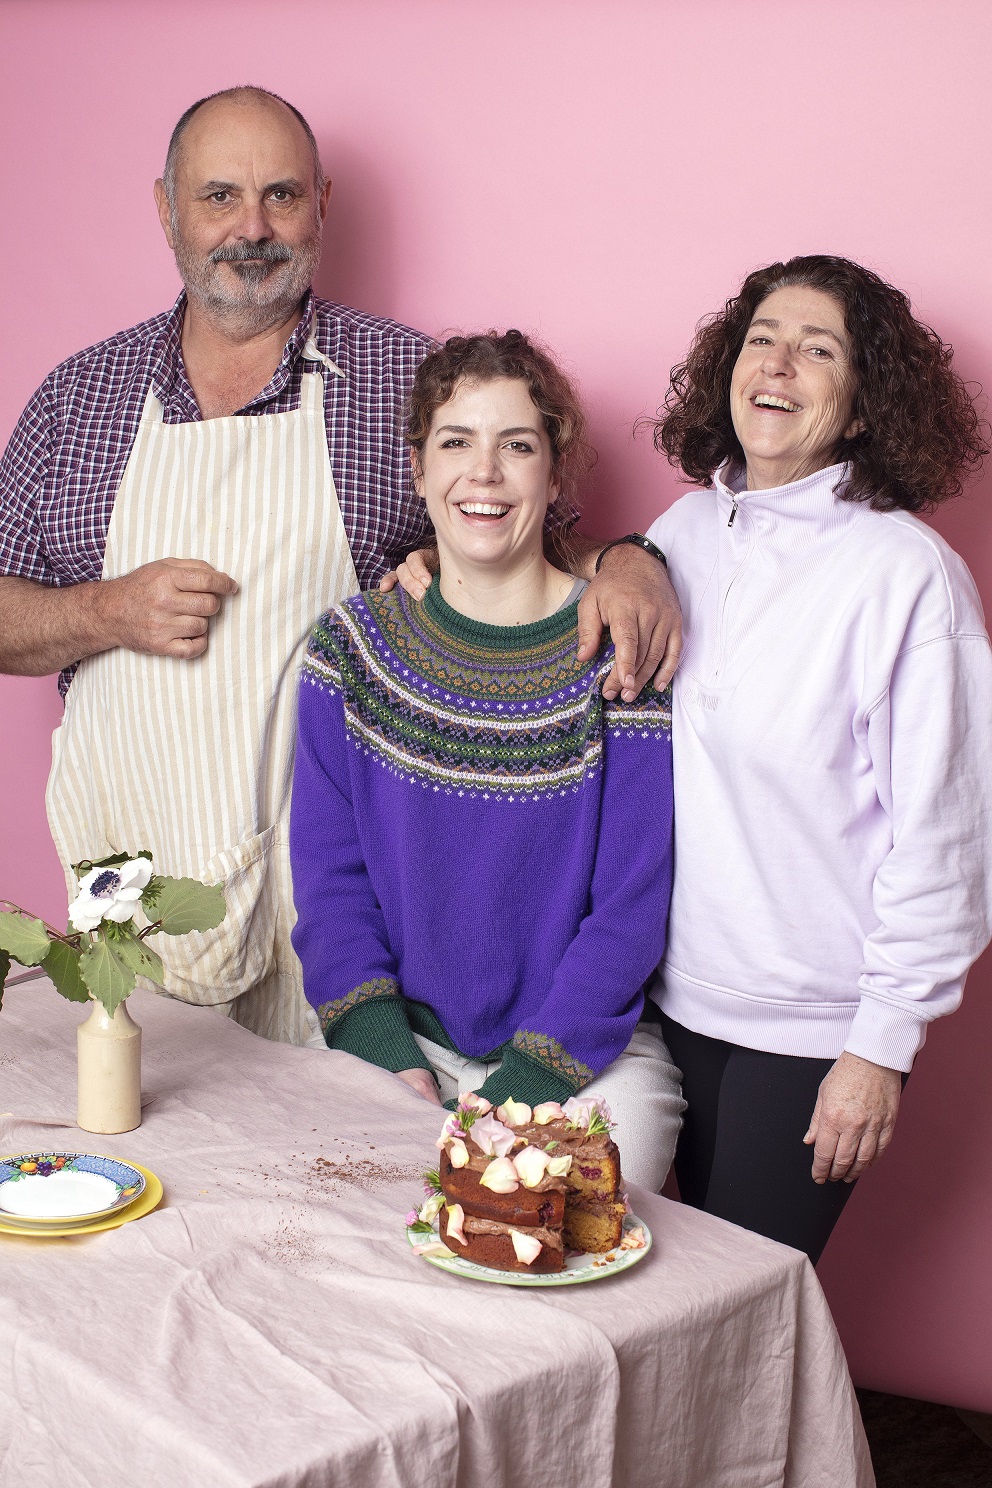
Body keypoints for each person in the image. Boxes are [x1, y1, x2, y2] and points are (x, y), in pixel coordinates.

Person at [0, 85, 681, 1045]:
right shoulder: (79, 400)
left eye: (281, 195)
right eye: (218, 197)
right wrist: (102, 614)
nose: (252, 227)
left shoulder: (405, 377)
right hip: (135, 886)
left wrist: (637, 563)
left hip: (334, 906)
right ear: (165, 208)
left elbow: (541, 534)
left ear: (323, 203)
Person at [644, 254, 992, 1259]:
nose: (778, 364)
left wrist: (878, 1048)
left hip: (809, 1029)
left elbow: (948, 837)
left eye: (816, 349)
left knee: (736, 1319)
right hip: (662, 1001)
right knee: (653, 1300)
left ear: (857, 406)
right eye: (760, 338)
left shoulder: (905, 576)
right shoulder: (684, 528)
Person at [290, 331, 685, 1190]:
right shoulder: (348, 651)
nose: (485, 473)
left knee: (560, 1263)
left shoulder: (615, 656)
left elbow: (630, 908)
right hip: (396, 1046)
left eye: (517, 446)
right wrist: (382, 1053)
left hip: (588, 1060)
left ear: (554, 471)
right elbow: (330, 884)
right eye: (456, 443)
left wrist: (523, 1095)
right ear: (419, 467)